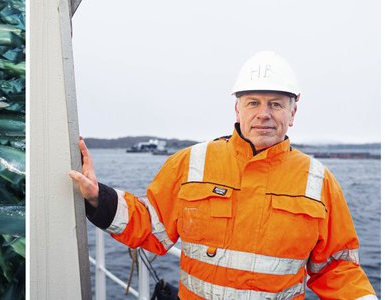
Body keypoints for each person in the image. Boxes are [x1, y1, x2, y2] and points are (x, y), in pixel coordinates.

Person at [69, 51, 377, 299]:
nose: (264, 114)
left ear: (293, 113)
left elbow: (336, 268)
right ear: (237, 109)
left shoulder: (318, 181)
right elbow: (151, 226)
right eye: (253, 103)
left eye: (276, 105)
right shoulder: (191, 163)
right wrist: (99, 198)